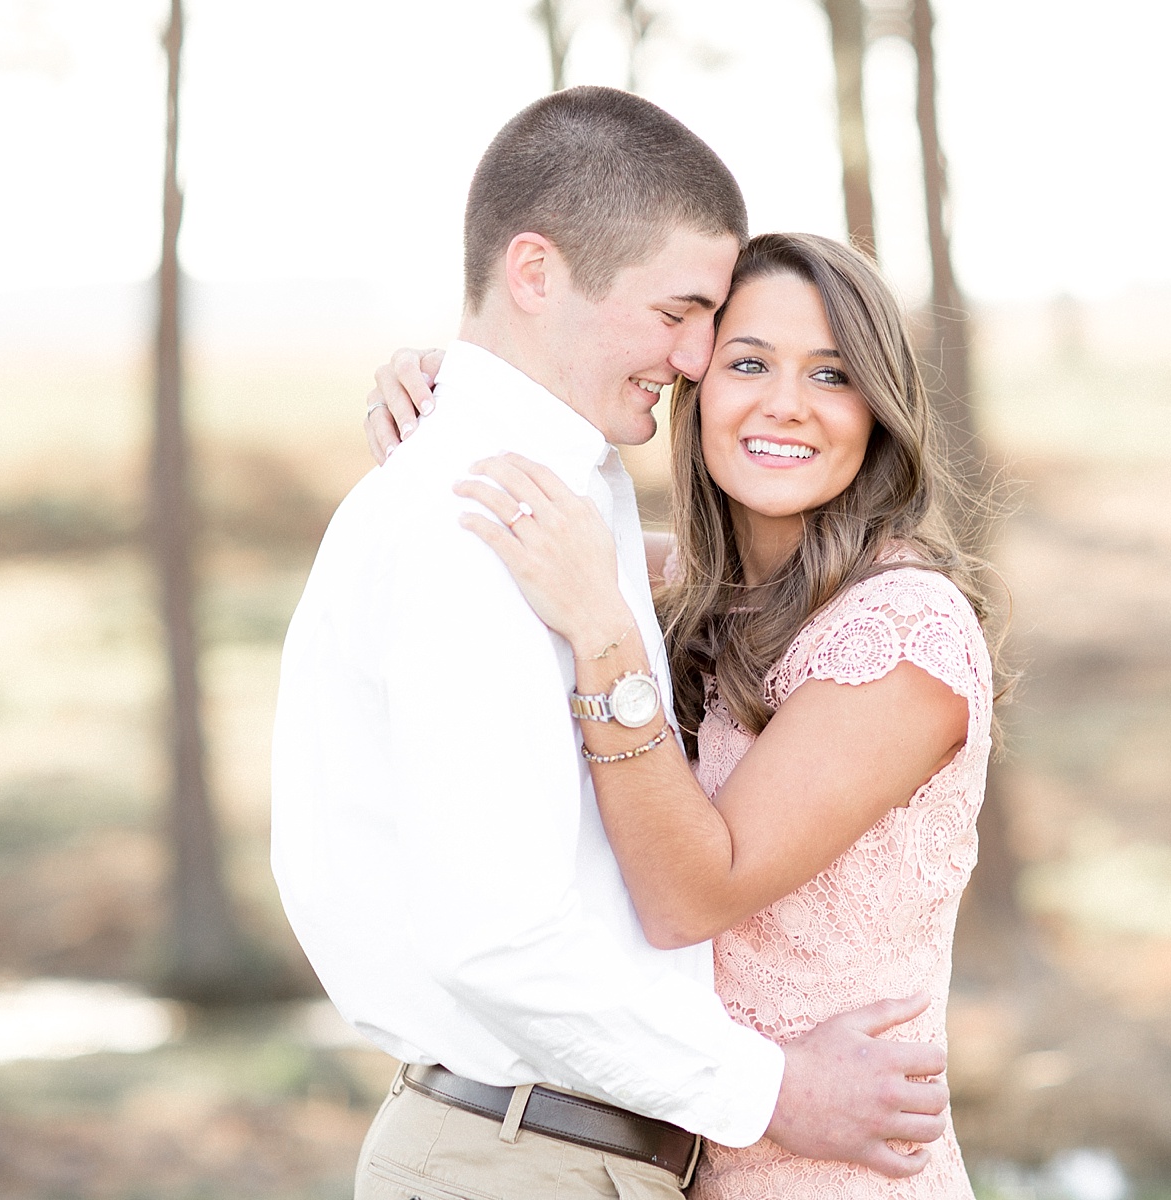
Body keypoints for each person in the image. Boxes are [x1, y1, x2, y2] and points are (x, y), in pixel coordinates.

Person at [272, 87, 949, 1200]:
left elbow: (727, 580)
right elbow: (496, 942)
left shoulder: (556, 504)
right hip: (518, 1161)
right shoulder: (480, 520)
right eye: (682, 315)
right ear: (535, 274)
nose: (693, 361)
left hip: (567, 1155)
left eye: (829, 372)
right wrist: (773, 1092)